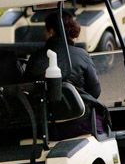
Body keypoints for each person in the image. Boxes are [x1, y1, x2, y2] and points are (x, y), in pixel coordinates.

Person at [23, 11, 104, 139]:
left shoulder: (35, 59)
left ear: (51, 32)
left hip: (45, 127)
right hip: (79, 123)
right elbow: (95, 91)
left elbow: (27, 89)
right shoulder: (81, 55)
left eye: (46, 30)